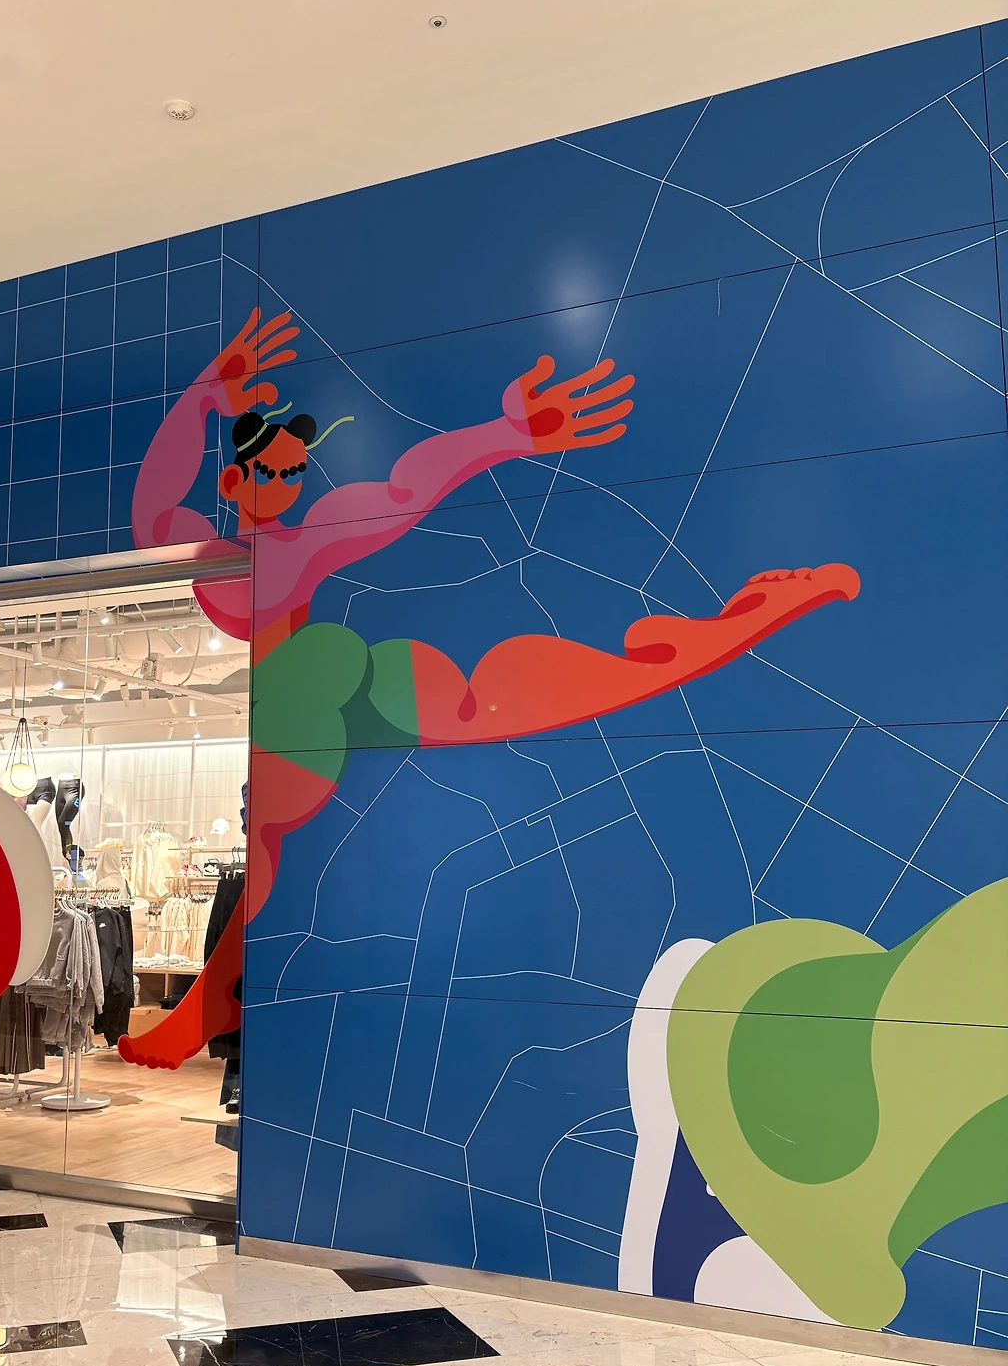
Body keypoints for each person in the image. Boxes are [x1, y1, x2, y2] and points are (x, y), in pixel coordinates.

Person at [120, 310, 860, 1068]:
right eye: (269, 473)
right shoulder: (214, 557)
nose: (284, 485)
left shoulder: (310, 538)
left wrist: (507, 435)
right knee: (275, 848)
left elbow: (407, 488)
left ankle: (728, 627)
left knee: (496, 702)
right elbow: (153, 517)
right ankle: (207, 1005)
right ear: (233, 480)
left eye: (294, 472)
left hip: (331, 687)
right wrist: (200, 398)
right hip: (302, 706)